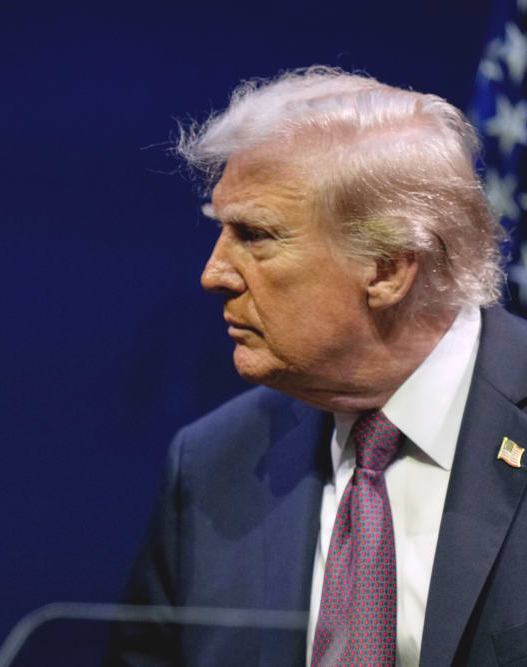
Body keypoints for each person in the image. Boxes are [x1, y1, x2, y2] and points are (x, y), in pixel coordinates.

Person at [107, 67, 527, 666]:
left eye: (255, 235)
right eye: (222, 230)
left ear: (387, 268)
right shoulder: (210, 464)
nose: (213, 274)